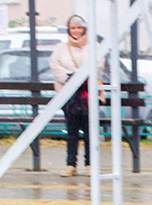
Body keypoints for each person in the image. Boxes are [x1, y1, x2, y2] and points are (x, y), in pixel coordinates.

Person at [49, 15, 91, 177]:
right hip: (69, 93)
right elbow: (55, 65)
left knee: (89, 130)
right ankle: (70, 164)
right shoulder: (61, 48)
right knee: (72, 131)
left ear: (84, 29)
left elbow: (98, 65)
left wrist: (82, 77)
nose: (76, 31)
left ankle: (90, 164)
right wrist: (69, 78)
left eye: (79, 28)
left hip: (88, 93)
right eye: (73, 28)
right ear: (69, 29)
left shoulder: (93, 46)